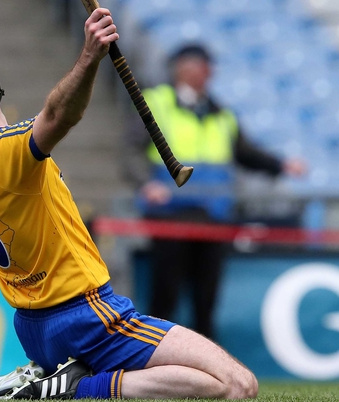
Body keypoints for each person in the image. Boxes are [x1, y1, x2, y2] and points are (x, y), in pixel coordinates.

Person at [0, 0, 258, 400]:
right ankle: (73, 389)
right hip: (88, 316)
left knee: (214, 381)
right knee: (238, 385)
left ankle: (51, 380)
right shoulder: (5, 155)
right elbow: (58, 114)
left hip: (37, 328)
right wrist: (90, 56)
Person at [123, 44, 306, 340]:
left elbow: (245, 152)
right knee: (166, 292)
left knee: (206, 296)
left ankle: (208, 366)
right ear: (185, 69)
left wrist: (281, 165)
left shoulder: (222, 113)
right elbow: (131, 150)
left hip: (213, 214)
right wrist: (146, 183)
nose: (210, 74)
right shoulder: (156, 103)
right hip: (171, 214)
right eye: (204, 67)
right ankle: (154, 358)